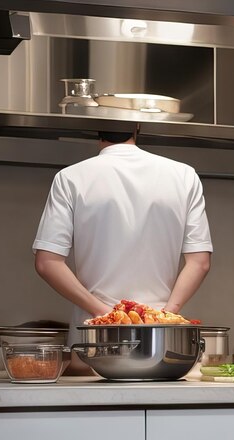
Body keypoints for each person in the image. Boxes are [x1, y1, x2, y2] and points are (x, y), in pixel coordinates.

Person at [32, 128, 212, 371]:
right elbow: (199, 262)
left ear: (95, 129)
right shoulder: (183, 175)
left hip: (94, 344)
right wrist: (164, 318)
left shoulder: (71, 177)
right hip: (162, 349)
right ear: (138, 127)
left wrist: (108, 318)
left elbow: (47, 263)